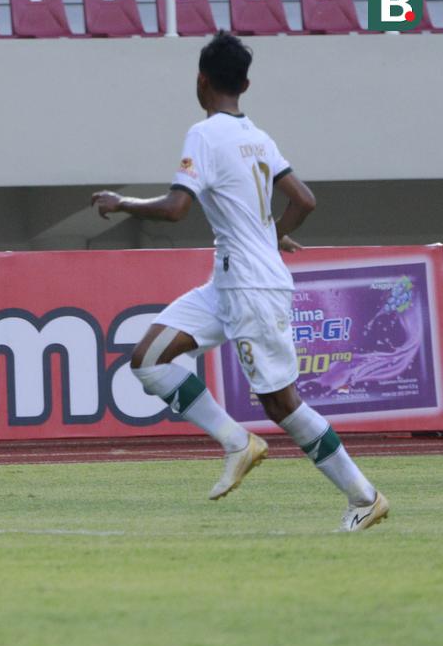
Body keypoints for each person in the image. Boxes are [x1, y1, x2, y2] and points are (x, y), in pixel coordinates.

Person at [90, 32, 389, 532]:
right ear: (244, 83)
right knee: (148, 357)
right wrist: (270, 236)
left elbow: (176, 208)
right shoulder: (258, 136)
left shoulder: (204, 134)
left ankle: (364, 496)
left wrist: (124, 203)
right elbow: (304, 200)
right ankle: (236, 441)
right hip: (230, 281)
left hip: (250, 286)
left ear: (200, 81)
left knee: (280, 403)